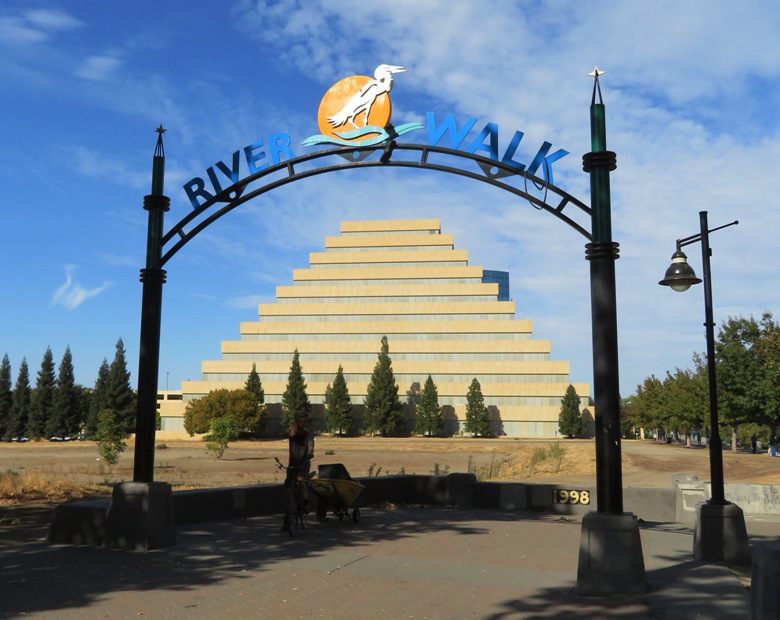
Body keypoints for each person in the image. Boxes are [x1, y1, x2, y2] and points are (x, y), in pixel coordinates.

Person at [288, 414, 315, 512]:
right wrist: (295, 423)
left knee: (300, 479)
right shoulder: (293, 435)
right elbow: (291, 435)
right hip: (292, 463)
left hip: (304, 463)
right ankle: (290, 503)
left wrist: (309, 454)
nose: (302, 423)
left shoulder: (308, 436)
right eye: (300, 421)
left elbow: (311, 448)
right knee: (288, 482)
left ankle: (305, 502)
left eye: (303, 421)